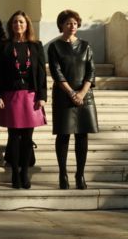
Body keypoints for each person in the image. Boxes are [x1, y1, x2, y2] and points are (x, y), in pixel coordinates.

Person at [0, 11, 47, 189]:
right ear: (11, 25)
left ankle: (25, 173)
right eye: (15, 22)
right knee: (14, 137)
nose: (18, 25)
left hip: (30, 96)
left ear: (27, 25)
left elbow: (41, 73)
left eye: (22, 22)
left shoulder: (36, 46)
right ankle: (15, 174)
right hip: (11, 95)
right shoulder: (4, 46)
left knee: (27, 138)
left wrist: (42, 96)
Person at [48, 10, 98, 190]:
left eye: (75, 23)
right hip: (64, 95)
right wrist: (71, 93)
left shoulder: (86, 46)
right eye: (68, 23)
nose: (72, 26)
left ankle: (80, 174)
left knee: (82, 135)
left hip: (84, 96)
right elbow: (56, 72)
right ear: (61, 25)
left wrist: (82, 93)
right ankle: (63, 173)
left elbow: (91, 71)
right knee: (63, 135)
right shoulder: (55, 47)